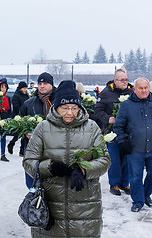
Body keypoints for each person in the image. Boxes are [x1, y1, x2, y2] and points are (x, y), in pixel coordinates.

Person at [23, 80, 110, 237]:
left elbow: (104, 160)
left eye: (74, 108)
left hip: (85, 207)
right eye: (65, 108)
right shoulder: (43, 128)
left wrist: (83, 170)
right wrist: (49, 168)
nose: (70, 112)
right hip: (50, 204)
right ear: (56, 108)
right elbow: (28, 161)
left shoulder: (91, 128)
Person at [114, 78, 152, 212]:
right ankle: (138, 201)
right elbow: (118, 126)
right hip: (135, 149)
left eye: (146, 88)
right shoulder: (126, 105)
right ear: (134, 89)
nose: (144, 91)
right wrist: (123, 141)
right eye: (140, 88)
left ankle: (146, 195)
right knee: (135, 176)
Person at [95, 69, 133, 196]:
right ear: (115, 80)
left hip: (128, 133)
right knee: (115, 159)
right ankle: (115, 183)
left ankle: (125, 183)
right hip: (112, 133)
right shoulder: (106, 93)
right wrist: (108, 119)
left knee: (127, 158)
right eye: (122, 80)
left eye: (126, 79)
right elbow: (98, 111)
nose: (125, 82)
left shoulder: (132, 92)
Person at [19, 72, 56, 188]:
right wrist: (25, 132)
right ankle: (33, 201)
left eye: (45, 83)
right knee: (31, 180)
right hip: (32, 147)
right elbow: (20, 122)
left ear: (51, 85)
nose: (42, 86)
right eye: (40, 83)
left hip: (54, 147)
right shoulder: (29, 103)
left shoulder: (59, 103)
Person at [7, 81, 29, 156]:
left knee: (24, 134)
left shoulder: (26, 95)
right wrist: (22, 112)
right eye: (24, 88)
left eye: (26, 88)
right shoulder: (16, 95)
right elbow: (16, 107)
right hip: (18, 116)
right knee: (18, 134)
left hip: (25, 116)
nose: (25, 90)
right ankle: (11, 144)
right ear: (20, 88)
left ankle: (22, 150)